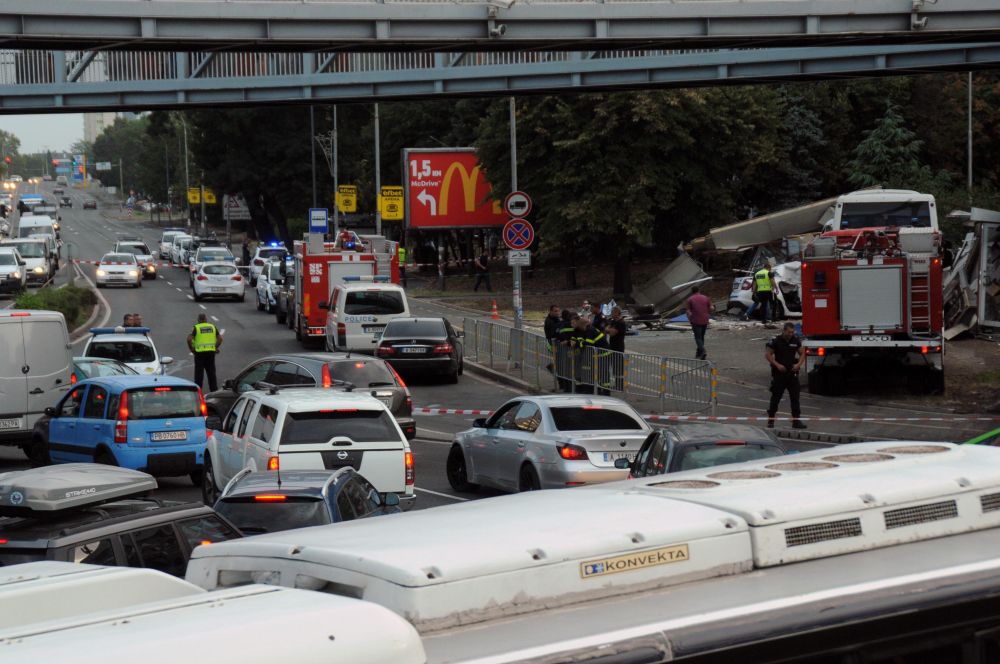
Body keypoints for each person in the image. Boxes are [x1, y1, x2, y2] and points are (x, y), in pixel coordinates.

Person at [765, 322, 806, 430]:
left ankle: (796, 421)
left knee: (795, 398)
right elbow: (768, 354)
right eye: (789, 332)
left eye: (792, 332)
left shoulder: (795, 340)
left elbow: (803, 353)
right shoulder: (776, 341)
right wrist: (777, 365)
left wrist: (798, 365)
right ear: (784, 331)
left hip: (792, 374)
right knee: (776, 398)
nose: (790, 334)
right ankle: (771, 420)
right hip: (779, 374)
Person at [187, 313, 223, 392]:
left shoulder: (196, 328)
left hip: (199, 354)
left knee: (199, 375)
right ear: (206, 319)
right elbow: (220, 339)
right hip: (210, 353)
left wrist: (192, 349)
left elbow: (189, 339)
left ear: (198, 320)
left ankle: (198, 392)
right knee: (211, 373)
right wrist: (215, 348)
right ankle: (214, 392)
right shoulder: (212, 327)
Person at [685, 285, 712, 360]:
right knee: (702, 336)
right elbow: (711, 308)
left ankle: (703, 351)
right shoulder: (706, 298)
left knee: (698, 337)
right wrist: (708, 313)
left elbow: (688, 311)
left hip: (695, 320)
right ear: (699, 290)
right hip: (705, 320)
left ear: (692, 291)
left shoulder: (690, 299)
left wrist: (689, 318)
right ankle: (699, 353)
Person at [605, 307, 628, 391]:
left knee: (618, 366)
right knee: (614, 366)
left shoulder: (621, 323)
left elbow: (612, 333)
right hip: (612, 346)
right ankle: (616, 384)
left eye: (613, 312)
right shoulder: (613, 322)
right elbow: (606, 329)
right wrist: (609, 329)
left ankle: (620, 385)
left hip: (618, 347)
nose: (611, 314)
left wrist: (609, 330)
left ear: (617, 313)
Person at [555, 310, 576, 393]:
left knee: (565, 370)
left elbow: (557, 335)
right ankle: (571, 388)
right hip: (573, 351)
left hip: (564, 351)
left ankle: (567, 388)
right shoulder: (573, 326)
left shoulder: (562, 325)